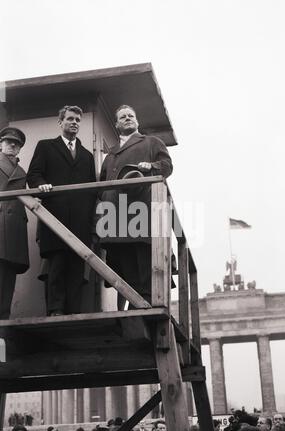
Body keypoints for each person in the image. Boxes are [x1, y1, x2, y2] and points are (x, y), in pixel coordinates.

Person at [98, 105, 173, 309]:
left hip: (142, 213)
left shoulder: (151, 142)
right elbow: (102, 183)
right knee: (125, 265)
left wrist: (152, 167)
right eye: (123, 117)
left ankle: (143, 308)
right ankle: (134, 307)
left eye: (131, 115)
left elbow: (167, 166)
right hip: (116, 217)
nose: (128, 118)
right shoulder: (111, 154)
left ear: (137, 121)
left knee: (145, 264)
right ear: (117, 124)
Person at [27, 105, 96, 316]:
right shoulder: (46, 146)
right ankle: (55, 310)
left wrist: (91, 222)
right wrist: (42, 185)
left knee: (77, 268)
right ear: (61, 122)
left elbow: (92, 190)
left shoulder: (87, 156)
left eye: (77, 120)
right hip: (54, 218)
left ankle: (74, 311)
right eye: (70, 119)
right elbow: (34, 175)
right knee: (56, 267)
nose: (74, 122)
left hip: (80, 222)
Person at [0, 127, 29, 319]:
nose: (12, 145)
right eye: (9, 141)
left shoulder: (22, 171)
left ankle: (3, 319)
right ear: (0, 144)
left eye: (16, 143)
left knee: (7, 276)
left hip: (12, 229)